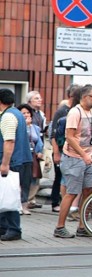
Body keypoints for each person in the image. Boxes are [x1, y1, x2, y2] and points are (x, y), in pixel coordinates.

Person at [54, 84, 92, 238]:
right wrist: (84, 154)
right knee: (72, 192)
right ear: (84, 97)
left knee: (88, 191)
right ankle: (59, 227)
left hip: (87, 157)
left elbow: (90, 135)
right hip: (74, 158)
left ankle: (82, 226)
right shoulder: (75, 112)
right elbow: (70, 136)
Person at [0, 89, 31, 241]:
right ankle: (4, 227)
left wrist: (5, 164)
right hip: (20, 159)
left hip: (11, 161)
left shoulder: (8, 116)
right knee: (5, 193)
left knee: (9, 194)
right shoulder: (16, 113)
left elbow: (9, 141)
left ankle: (13, 228)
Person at [49, 84, 79, 213]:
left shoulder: (80, 111)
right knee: (60, 177)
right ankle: (57, 202)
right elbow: (53, 134)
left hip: (74, 151)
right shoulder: (62, 111)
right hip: (62, 149)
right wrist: (56, 153)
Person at [17, 104, 43, 215]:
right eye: (23, 113)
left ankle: (25, 205)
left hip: (31, 156)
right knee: (18, 182)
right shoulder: (17, 126)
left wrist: (40, 151)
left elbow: (39, 141)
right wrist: (25, 127)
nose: (26, 115)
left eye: (28, 113)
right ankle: (17, 205)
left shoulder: (35, 127)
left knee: (28, 181)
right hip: (19, 156)